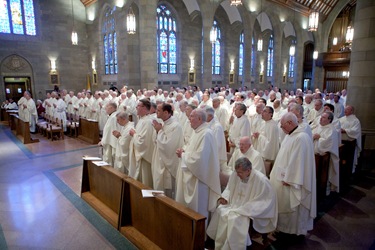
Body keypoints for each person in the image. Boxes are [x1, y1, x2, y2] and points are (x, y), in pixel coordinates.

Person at [206, 157, 277, 249]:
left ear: (248, 170)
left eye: (240, 173)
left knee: (235, 219)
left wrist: (247, 209)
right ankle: (221, 242)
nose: (237, 175)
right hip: (234, 204)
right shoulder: (235, 174)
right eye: (237, 172)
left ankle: (236, 246)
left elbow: (265, 200)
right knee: (220, 211)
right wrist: (225, 197)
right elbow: (229, 188)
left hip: (250, 209)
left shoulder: (261, 180)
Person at [270, 112, 316, 237]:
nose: (281, 128)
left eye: (283, 125)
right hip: (283, 178)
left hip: (292, 182)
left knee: (293, 209)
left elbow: (298, 162)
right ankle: (284, 230)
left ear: (290, 123)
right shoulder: (290, 135)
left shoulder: (301, 138)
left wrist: (290, 179)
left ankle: (292, 233)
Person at [175, 108, 221, 227]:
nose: (189, 119)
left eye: (191, 116)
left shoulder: (206, 134)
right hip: (192, 176)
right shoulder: (198, 131)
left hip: (199, 180)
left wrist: (183, 155)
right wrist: (184, 150)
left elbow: (200, 160)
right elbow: (192, 149)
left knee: (198, 209)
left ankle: (198, 238)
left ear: (200, 119)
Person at [151, 103, 184, 198]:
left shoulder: (175, 126)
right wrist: (158, 131)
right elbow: (156, 142)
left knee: (167, 193)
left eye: (158, 110)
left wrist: (159, 131)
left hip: (167, 164)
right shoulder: (164, 124)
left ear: (166, 112)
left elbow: (169, 146)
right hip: (159, 160)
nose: (156, 112)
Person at [128, 99, 156, 188]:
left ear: (144, 108)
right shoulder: (142, 120)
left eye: (138, 106)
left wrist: (134, 134)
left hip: (144, 157)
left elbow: (143, 142)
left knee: (145, 180)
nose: (136, 108)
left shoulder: (148, 121)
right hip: (140, 155)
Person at [312, 111, 340, 193]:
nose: (321, 118)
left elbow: (328, 144)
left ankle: (323, 189)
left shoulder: (332, 130)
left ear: (329, 120)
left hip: (325, 158)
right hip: (313, 155)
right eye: (321, 117)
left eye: (323, 117)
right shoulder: (318, 127)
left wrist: (319, 138)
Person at [339, 105, 362, 173]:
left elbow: (355, 131)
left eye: (347, 109)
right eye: (345, 109)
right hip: (340, 141)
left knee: (347, 158)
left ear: (352, 111)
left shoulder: (355, 121)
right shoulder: (341, 119)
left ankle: (348, 171)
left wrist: (345, 130)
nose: (345, 111)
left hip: (348, 143)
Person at [98, 102, 120, 166]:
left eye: (107, 107)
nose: (105, 109)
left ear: (111, 108)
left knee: (110, 161)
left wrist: (103, 142)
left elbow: (110, 132)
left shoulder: (113, 117)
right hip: (110, 142)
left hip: (111, 143)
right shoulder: (113, 116)